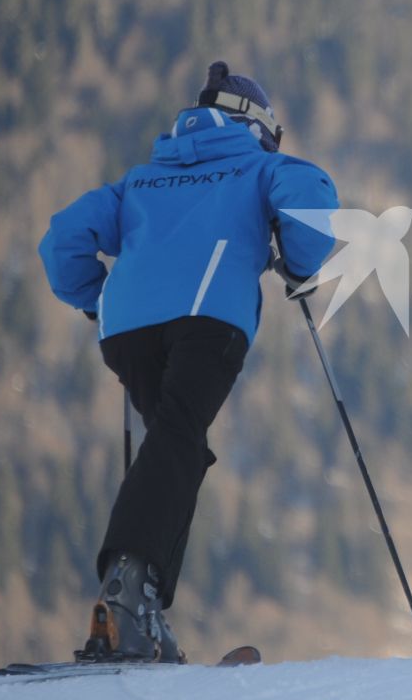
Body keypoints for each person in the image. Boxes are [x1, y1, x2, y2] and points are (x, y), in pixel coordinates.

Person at [39, 61, 338, 661]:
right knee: (178, 439)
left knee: (177, 446)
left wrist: (95, 302)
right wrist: (300, 265)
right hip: (208, 319)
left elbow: (62, 240)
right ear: (258, 127)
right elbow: (312, 196)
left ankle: (140, 607)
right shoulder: (256, 164)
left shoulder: (142, 179)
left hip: (126, 329)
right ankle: (126, 590)